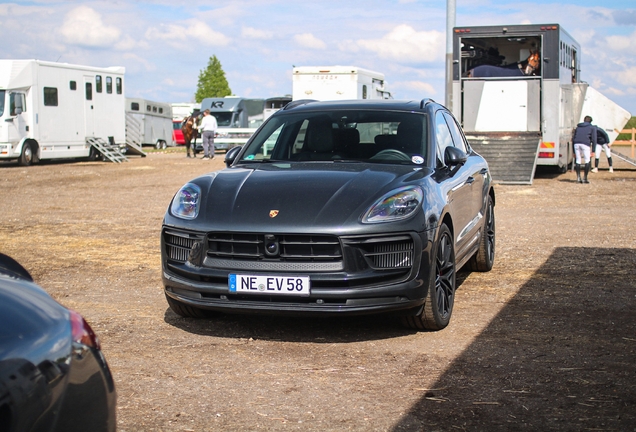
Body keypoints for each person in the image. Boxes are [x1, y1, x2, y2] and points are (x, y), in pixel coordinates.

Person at [572, 115, 597, 184]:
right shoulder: (592, 128)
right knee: (587, 160)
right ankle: (585, 178)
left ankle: (578, 178)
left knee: (578, 160)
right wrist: (593, 150)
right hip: (585, 144)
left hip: (576, 143)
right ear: (590, 121)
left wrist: (573, 151)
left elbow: (573, 139)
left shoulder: (578, 127)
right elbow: (594, 139)